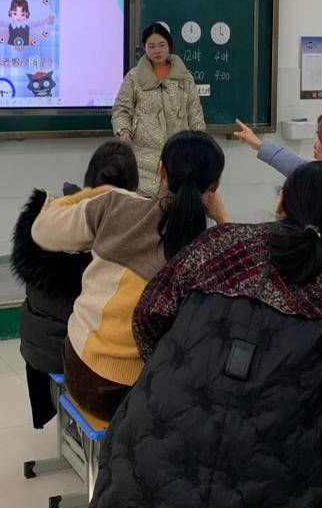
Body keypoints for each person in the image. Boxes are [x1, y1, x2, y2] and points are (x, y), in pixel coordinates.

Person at [87, 161, 322, 508]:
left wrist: (182, 365)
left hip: (148, 445)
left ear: (282, 204)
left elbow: (149, 314)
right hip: (269, 476)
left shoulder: (218, 243)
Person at [31, 131, 226, 420]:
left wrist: (92, 193)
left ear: (161, 170)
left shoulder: (115, 206)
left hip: (78, 368)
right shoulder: (210, 249)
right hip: (130, 392)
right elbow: (247, 275)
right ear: (215, 186)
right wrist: (222, 219)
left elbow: (42, 230)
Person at [9, 141, 138, 428]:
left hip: (36, 344)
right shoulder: (118, 234)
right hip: (77, 355)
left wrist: (82, 197)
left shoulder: (48, 215)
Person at [111, 23, 206, 196]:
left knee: (177, 212)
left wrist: (200, 147)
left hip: (180, 159)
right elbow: (121, 109)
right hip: (142, 162)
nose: (157, 50)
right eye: (151, 46)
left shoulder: (184, 78)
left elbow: (195, 113)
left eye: (162, 45)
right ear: (145, 48)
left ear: (169, 46)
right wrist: (123, 131)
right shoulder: (134, 77)